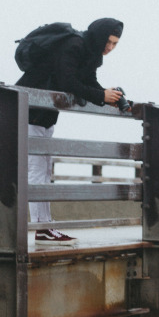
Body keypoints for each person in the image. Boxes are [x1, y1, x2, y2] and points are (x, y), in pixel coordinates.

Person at [16, 17, 124, 247]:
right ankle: (42, 229)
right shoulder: (74, 45)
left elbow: (87, 81)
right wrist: (100, 96)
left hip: (44, 114)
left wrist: (107, 95)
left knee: (44, 169)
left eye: (115, 44)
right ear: (100, 35)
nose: (110, 48)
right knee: (37, 171)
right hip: (28, 110)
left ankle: (45, 227)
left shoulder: (90, 52)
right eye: (109, 41)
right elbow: (68, 81)